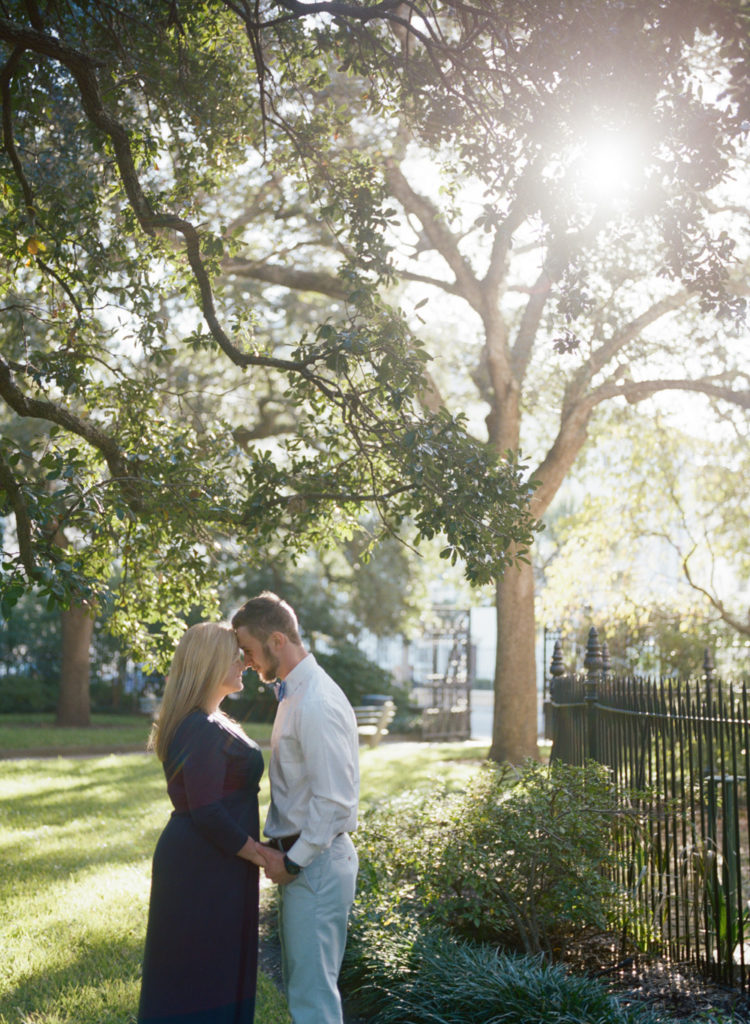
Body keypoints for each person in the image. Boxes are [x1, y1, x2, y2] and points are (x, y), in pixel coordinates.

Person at [232, 593, 360, 1024]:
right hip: (305, 861)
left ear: (277, 640)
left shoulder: (316, 702)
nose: (246, 662)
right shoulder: (294, 693)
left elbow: (332, 800)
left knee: (312, 1000)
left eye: (248, 651)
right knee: (306, 992)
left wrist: (294, 862)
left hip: (316, 865)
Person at [138, 622, 268, 1024]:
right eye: (235, 656)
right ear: (211, 664)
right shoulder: (199, 726)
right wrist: (264, 856)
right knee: (199, 980)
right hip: (203, 866)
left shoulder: (212, 720)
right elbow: (207, 810)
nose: (244, 663)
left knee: (212, 972)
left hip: (215, 862)